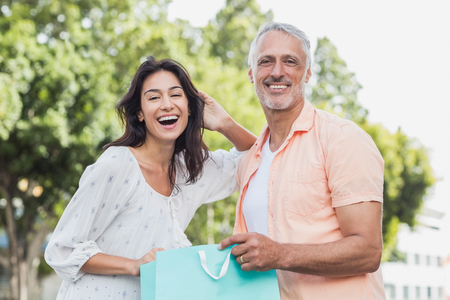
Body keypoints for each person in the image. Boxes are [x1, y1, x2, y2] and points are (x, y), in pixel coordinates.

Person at [44, 56, 256, 299]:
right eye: (154, 97)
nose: (166, 104)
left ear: (189, 107)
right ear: (140, 114)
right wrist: (133, 265)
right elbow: (61, 249)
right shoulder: (118, 165)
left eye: (175, 95)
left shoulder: (190, 169)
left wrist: (225, 124)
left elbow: (257, 159)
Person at [218, 22, 386, 299]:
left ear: (307, 73)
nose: (277, 72)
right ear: (251, 73)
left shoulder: (341, 139)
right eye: (265, 61)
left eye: (290, 62)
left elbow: (368, 251)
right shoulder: (251, 160)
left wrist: (280, 253)